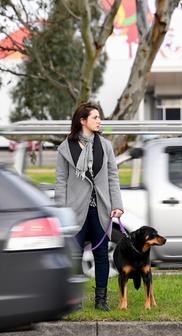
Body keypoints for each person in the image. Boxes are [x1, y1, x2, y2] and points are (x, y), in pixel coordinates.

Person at [54, 102, 124, 311]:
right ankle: (74, 300)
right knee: (73, 255)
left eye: (99, 117)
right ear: (82, 121)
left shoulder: (105, 145)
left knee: (101, 254)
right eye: (95, 117)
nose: (99, 121)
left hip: (100, 208)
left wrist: (117, 205)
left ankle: (101, 300)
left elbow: (113, 177)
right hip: (75, 210)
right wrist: (61, 210)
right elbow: (61, 181)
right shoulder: (66, 147)